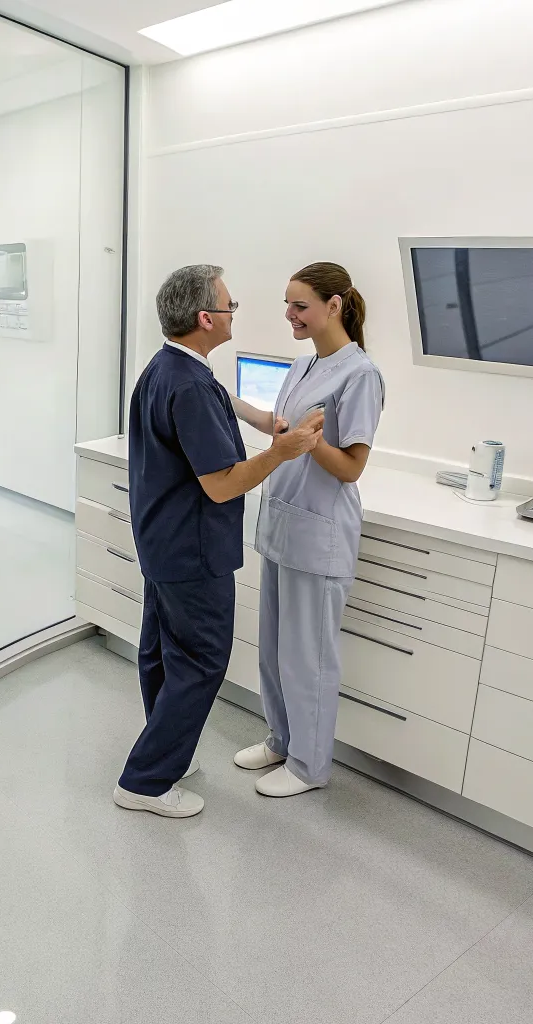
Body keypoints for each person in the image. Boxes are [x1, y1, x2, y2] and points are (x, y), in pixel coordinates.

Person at [113, 264, 323, 819]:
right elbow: (222, 483)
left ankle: (168, 756)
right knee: (202, 660)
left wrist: (264, 421)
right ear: (206, 319)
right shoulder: (189, 385)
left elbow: (220, 400)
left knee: (161, 652)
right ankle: (146, 780)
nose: (235, 314)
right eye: (231, 307)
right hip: (193, 548)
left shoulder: (170, 368)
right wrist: (283, 452)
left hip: (163, 540)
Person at [229, 262, 384, 797]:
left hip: (319, 533)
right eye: (287, 305)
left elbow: (351, 468)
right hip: (283, 525)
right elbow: (281, 427)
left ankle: (309, 767)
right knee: (272, 649)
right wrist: (224, 400)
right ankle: (281, 740)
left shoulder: (359, 374)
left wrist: (311, 442)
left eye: (300, 306)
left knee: (309, 658)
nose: (290, 315)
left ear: (334, 305)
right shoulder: (302, 366)